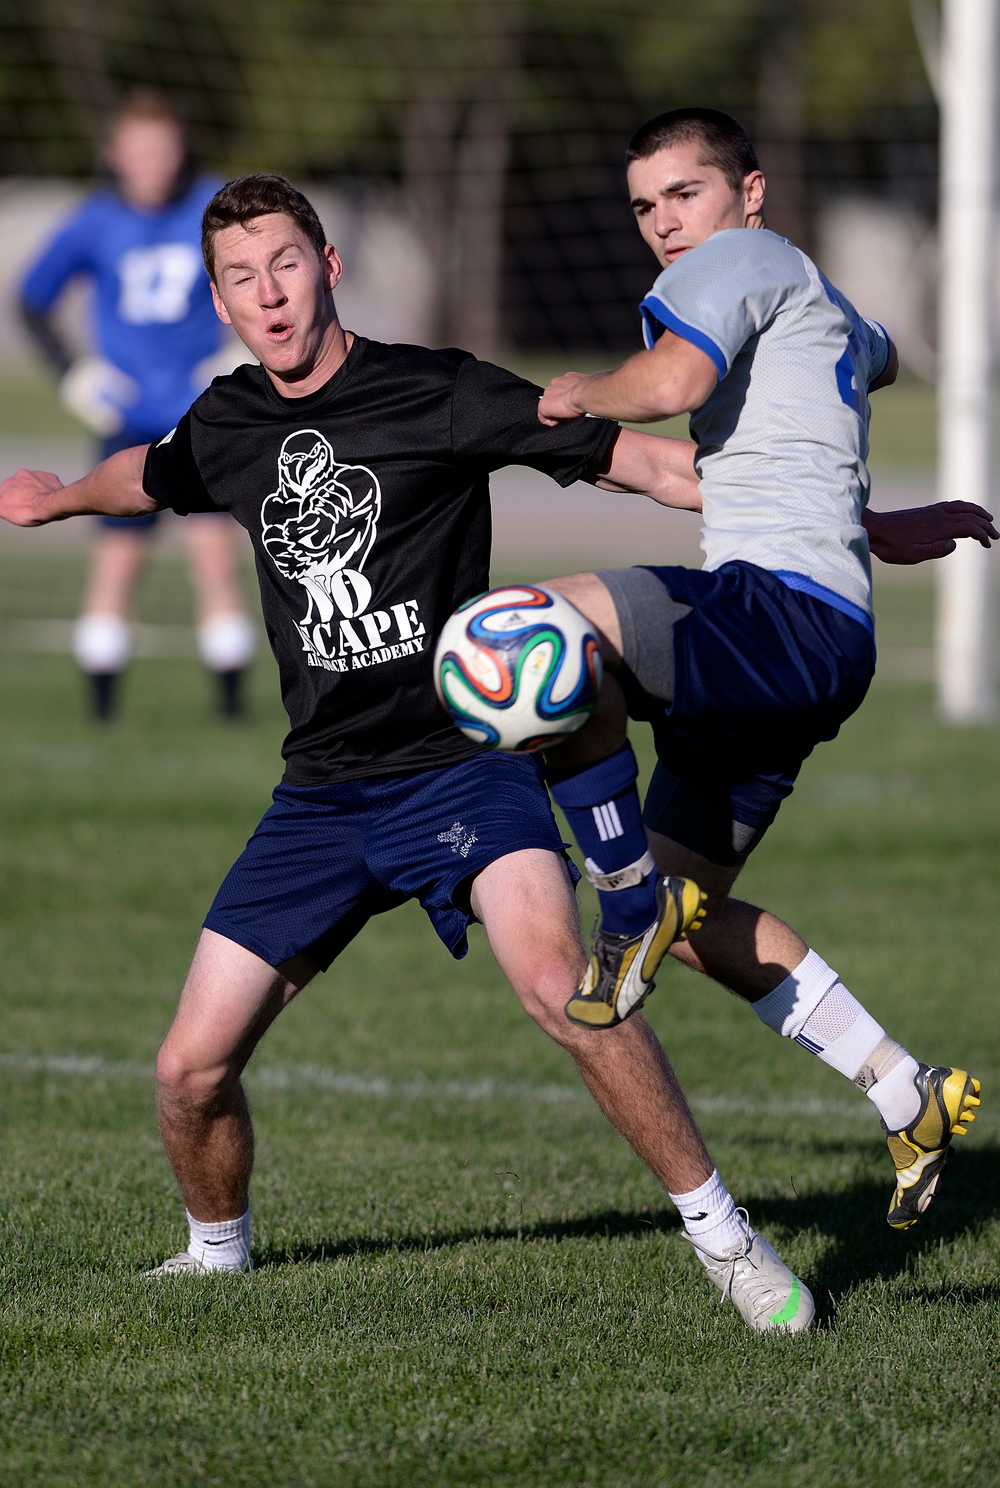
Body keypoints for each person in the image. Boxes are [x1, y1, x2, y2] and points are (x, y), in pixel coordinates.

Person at [0, 174, 823, 1333]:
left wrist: (837, 526)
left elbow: (640, 462)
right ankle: (215, 1257)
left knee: (565, 992)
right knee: (188, 1072)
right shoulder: (231, 422)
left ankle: (728, 1243)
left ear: (328, 267)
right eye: (241, 277)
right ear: (221, 301)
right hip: (320, 795)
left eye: (286, 264)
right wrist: (56, 501)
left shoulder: (434, 390)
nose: (269, 293)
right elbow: (150, 473)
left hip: (464, 767)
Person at [533, 108, 989, 1235]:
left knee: (537, 638)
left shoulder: (735, 261)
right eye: (643, 206)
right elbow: (843, 384)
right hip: (813, 640)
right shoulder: (824, 303)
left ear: (749, 194)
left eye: (683, 193)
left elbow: (673, 383)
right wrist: (879, 521)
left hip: (769, 615)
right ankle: (904, 1089)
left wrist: (588, 388)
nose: (660, 224)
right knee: (696, 925)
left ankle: (620, 910)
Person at [18, 89, 255, 721]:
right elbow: (30, 299)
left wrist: (242, 355)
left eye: (164, 149)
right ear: (116, 155)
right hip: (123, 419)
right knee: (117, 566)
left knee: (214, 561)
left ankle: (230, 714)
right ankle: (101, 714)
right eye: (141, 151)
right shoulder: (95, 221)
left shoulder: (215, 207)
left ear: (179, 151)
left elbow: (265, 275)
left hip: (200, 414)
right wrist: (74, 374)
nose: (153, 164)